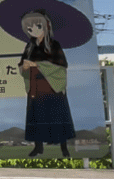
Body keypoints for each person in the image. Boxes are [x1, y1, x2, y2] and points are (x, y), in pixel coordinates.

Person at [18, 9, 75, 157]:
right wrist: (24, 67)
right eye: (29, 29)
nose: (33, 31)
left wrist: (38, 65)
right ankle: (38, 147)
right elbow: (22, 65)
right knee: (37, 117)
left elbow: (62, 66)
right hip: (35, 87)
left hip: (51, 86)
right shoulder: (29, 46)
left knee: (57, 116)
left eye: (37, 26)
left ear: (45, 26)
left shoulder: (54, 45)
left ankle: (64, 147)